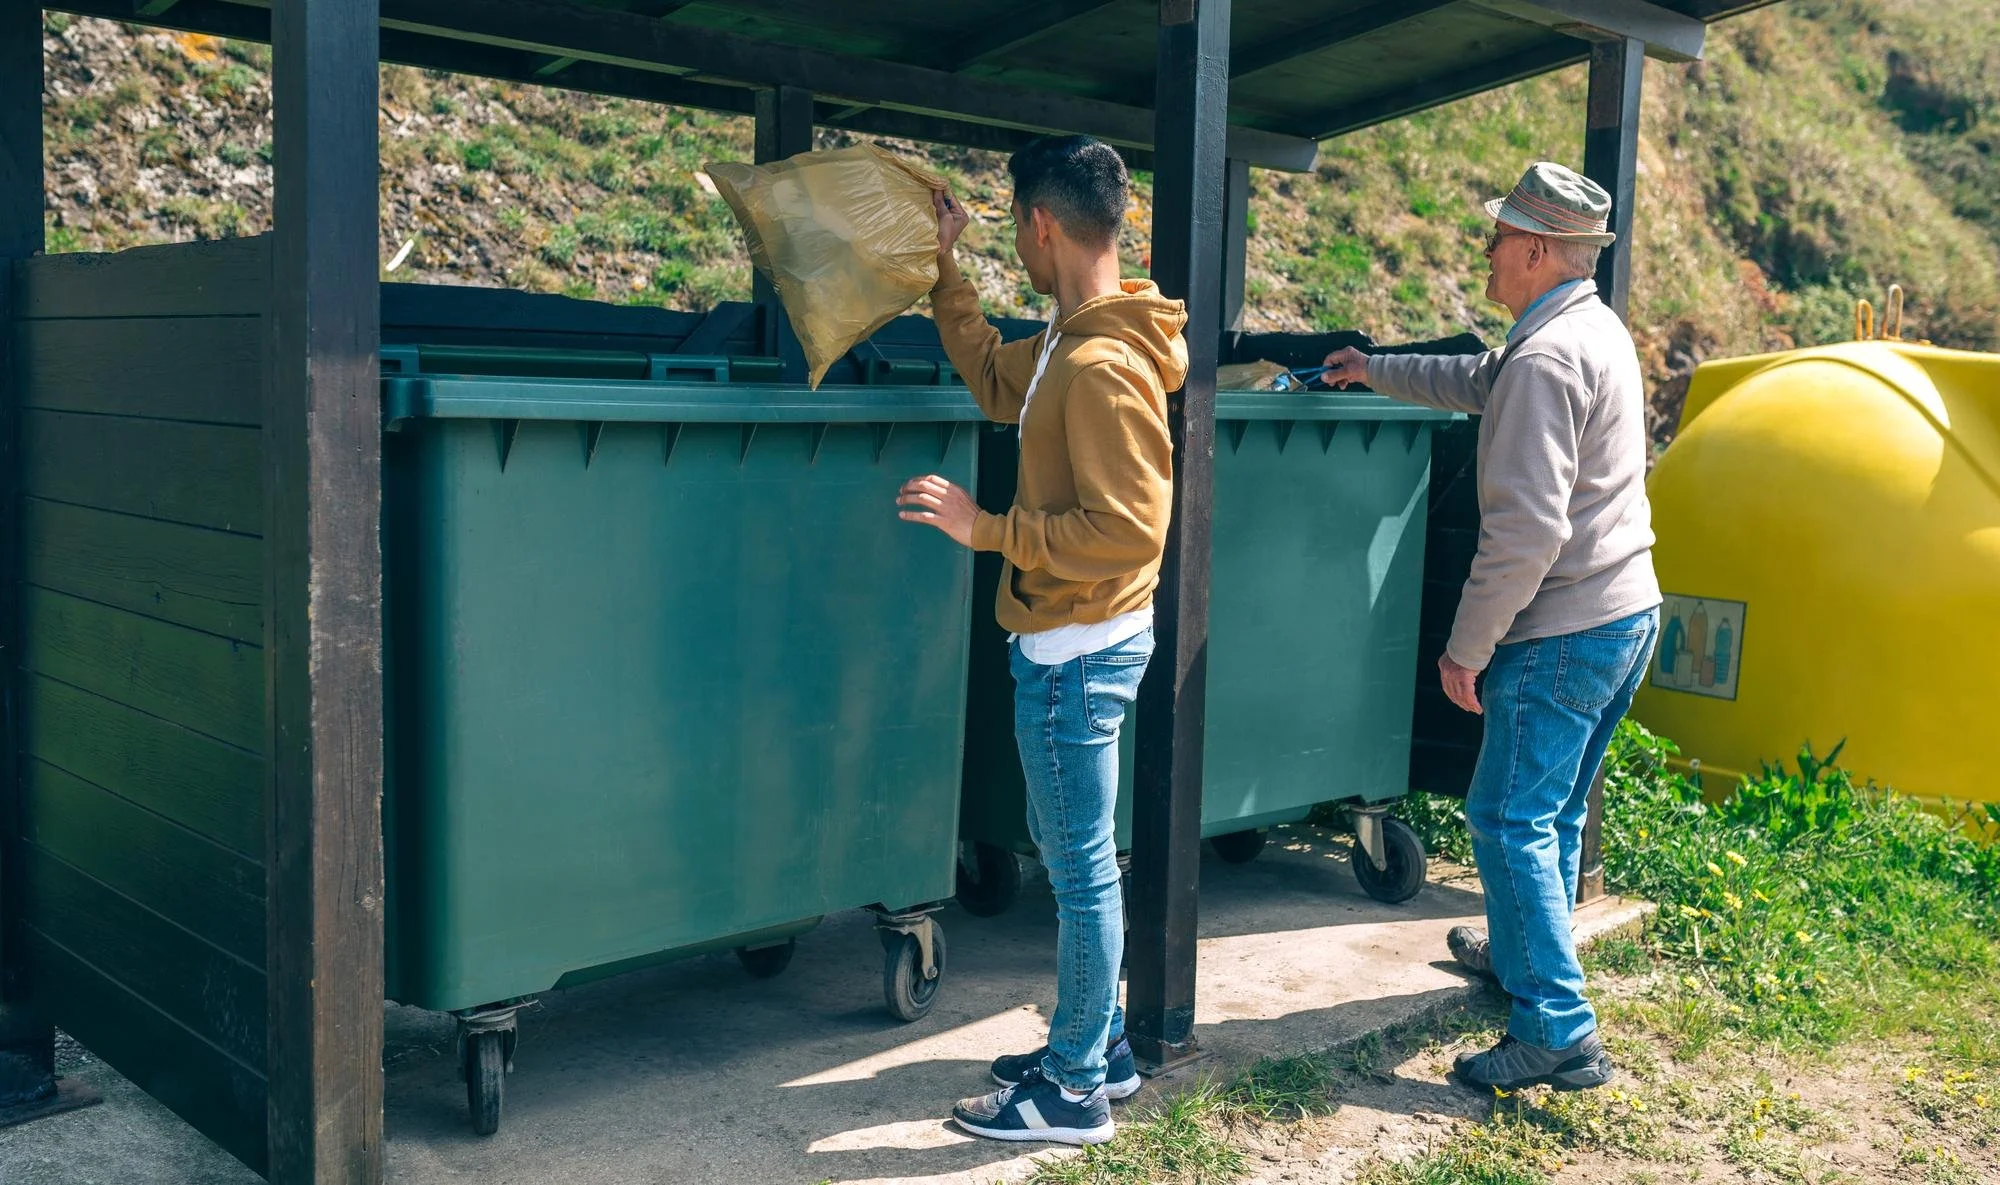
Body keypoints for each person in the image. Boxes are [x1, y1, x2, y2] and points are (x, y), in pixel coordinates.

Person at [1321, 161, 1661, 1093]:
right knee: (1545, 814)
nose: (1487, 249)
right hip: (1625, 612)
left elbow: (1525, 532)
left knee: (1507, 817)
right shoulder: (1582, 331)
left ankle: (1557, 1027)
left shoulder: (1548, 357)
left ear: (1540, 250)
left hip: (1563, 631)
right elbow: (1484, 379)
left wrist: (1467, 647)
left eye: (1501, 237)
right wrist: (1376, 368)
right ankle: (1521, 963)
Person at [897, 134, 1186, 1146]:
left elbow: (1129, 528)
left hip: (1075, 649)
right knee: (1082, 859)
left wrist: (989, 532)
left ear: (1040, 225)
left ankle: (1069, 1092)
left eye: (1012, 229)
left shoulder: (1101, 364)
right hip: (1073, 640)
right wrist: (944, 272)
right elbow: (988, 374)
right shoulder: (1069, 343)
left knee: (1078, 872)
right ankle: (1095, 1047)